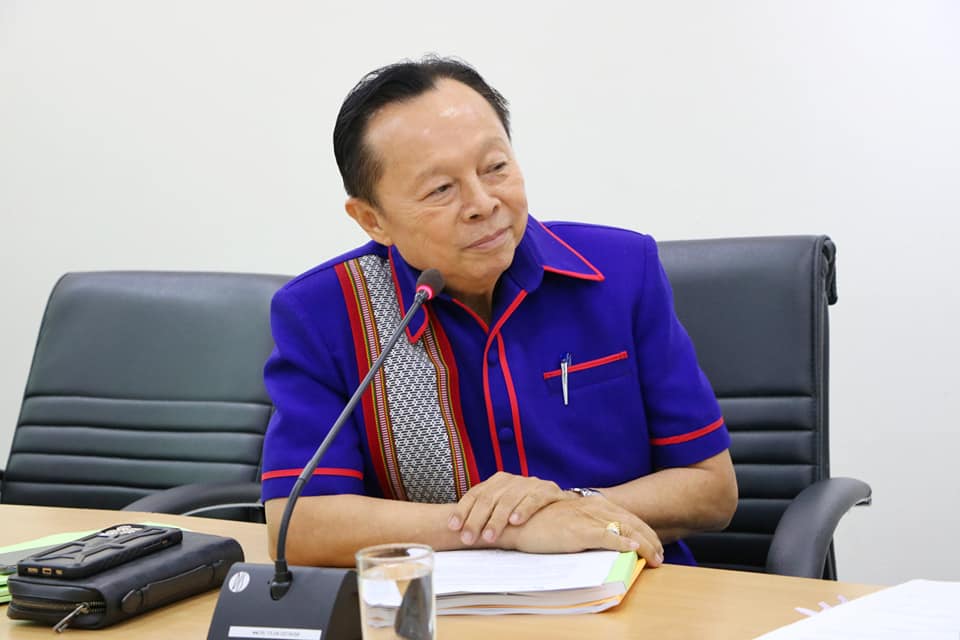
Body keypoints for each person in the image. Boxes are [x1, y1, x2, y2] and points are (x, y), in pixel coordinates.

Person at [260, 56, 738, 569]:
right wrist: (509, 527)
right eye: (441, 189)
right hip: (440, 603)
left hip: (635, 587)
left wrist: (575, 506)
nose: (483, 202)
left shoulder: (622, 272)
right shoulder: (326, 314)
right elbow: (297, 525)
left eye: (495, 168)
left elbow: (712, 489)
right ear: (373, 219)